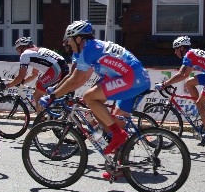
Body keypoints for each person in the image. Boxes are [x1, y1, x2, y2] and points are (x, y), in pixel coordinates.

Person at [39, 20, 151, 161]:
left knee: (90, 98)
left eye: (70, 40)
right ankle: (120, 166)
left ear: (79, 38)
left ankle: (117, 135)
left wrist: (53, 96)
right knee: (111, 120)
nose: (68, 44)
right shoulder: (92, 48)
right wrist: (57, 91)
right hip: (137, 77)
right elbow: (80, 77)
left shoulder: (89, 49)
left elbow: (77, 80)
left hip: (133, 79)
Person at [156, 36, 205, 146]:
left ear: (182, 48)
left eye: (176, 49)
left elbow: (181, 74)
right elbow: (185, 75)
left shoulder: (189, 55)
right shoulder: (192, 54)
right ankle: (200, 110)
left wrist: (164, 84)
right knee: (189, 83)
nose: (175, 52)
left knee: (200, 103)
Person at [2, 37, 69, 112]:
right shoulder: (36, 52)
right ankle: (50, 113)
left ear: (21, 48)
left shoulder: (25, 54)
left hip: (56, 69)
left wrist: (7, 86)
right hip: (62, 67)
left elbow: (21, 76)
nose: (17, 52)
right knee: (39, 87)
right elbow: (34, 74)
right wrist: (22, 82)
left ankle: (40, 119)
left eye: (17, 49)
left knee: (38, 92)